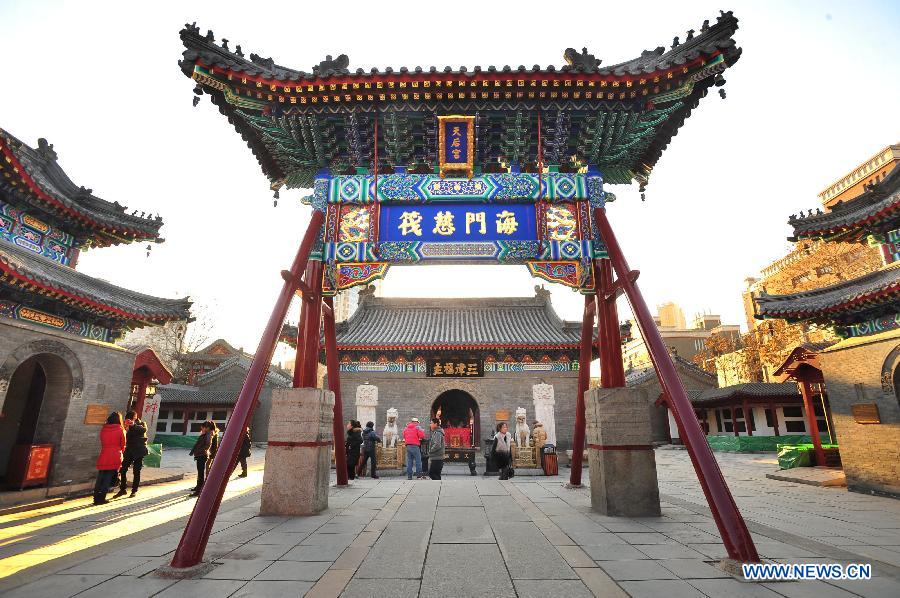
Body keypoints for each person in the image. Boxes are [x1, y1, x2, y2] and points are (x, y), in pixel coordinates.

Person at [114, 410, 148, 498]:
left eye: (132, 418)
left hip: (139, 451)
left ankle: (134, 490)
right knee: (123, 470)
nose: (129, 420)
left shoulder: (141, 424)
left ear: (135, 418)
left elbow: (144, 430)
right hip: (128, 450)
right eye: (128, 419)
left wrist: (133, 425)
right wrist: (125, 428)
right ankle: (122, 489)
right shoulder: (125, 425)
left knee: (136, 471)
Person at [94, 412, 125, 505]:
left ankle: (96, 498)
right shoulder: (120, 429)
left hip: (104, 454)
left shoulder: (104, 429)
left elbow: (102, 441)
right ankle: (102, 498)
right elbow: (123, 444)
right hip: (115, 455)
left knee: (100, 477)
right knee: (108, 477)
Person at [189, 422, 212, 496]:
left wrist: (200, 451)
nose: (201, 429)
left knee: (200, 474)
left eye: (203, 427)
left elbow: (207, 445)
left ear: (207, 428)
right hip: (200, 455)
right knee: (200, 473)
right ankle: (198, 488)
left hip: (202, 455)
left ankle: (199, 491)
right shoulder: (205, 434)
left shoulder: (208, 435)